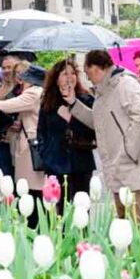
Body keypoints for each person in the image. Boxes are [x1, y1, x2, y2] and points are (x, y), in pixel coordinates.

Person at [68, 50, 140, 219]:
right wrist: (74, 105)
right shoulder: (103, 92)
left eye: (88, 74)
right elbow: (99, 123)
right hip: (117, 167)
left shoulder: (125, 84)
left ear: (96, 68)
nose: (88, 79)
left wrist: (128, 150)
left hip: (134, 166)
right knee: (123, 225)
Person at [38, 57, 97, 200]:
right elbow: (42, 131)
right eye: (65, 74)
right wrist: (45, 155)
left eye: (73, 73)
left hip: (80, 163)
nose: (70, 77)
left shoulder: (86, 100)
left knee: (81, 207)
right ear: (56, 78)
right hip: (55, 164)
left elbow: (94, 130)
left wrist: (72, 118)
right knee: (59, 207)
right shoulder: (48, 102)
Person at [0, 62, 45, 214]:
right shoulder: (39, 92)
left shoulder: (33, 93)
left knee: (29, 190)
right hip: (30, 145)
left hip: (30, 148)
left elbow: (6, 105)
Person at [0, 55, 22, 177]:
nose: (6, 70)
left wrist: (21, 123)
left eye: (10, 67)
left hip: (14, 141)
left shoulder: (20, 88)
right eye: (4, 68)